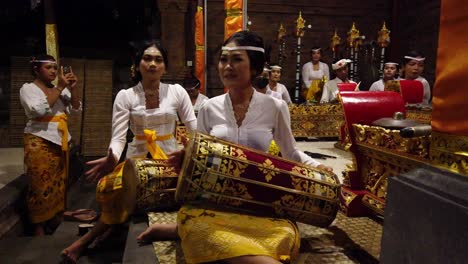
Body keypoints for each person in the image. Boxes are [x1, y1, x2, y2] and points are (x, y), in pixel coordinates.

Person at [137, 31, 333, 264]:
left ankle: (181, 232)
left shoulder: (275, 106)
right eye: (223, 59)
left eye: (236, 59)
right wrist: (186, 155)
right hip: (217, 204)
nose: (227, 66)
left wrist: (318, 167)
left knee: (283, 235)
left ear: (255, 67)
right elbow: (200, 152)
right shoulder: (210, 108)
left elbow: (291, 152)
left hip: (261, 204)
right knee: (202, 229)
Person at [61, 40, 196, 263]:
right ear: (137, 64)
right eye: (147, 58)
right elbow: (119, 136)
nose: (152, 64)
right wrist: (113, 157)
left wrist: (188, 154)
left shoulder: (177, 92)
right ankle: (89, 240)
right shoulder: (126, 96)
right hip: (138, 158)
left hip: (171, 156)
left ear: (165, 67)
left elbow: (194, 129)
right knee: (112, 188)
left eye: (158, 59)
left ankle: (100, 236)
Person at [20, 54, 81, 236]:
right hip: (38, 139)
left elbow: (76, 109)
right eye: (48, 68)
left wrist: (73, 88)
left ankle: (54, 218)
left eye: (55, 68)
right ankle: (39, 225)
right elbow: (37, 111)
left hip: (59, 137)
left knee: (57, 181)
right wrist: (61, 87)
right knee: (39, 184)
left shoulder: (59, 89)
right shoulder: (28, 88)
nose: (54, 71)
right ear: (36, 69)